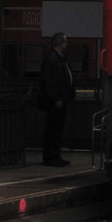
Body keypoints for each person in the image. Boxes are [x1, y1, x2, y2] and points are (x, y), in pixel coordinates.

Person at [38, 31, 74, 166]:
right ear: (60, 43)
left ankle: (55, 155)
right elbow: (50, 81)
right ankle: (51, 157)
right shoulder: (51, 59)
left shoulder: (58, 57)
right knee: (53, 128)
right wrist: (56, 98)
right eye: (65, 42)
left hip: (61, 99)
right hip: (55, 101)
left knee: (57, 128)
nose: (66, 44)